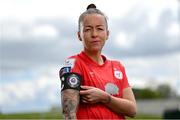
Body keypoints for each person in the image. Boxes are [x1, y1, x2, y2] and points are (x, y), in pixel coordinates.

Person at [59, 3, 137, 119]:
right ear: (79, 35)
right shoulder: (74, 63)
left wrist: (105, 97)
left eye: (100, 29)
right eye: (88, 29)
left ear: (107, 34)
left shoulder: (118, 67)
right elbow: (69, 114)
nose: (94, 34)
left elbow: (132, 110)